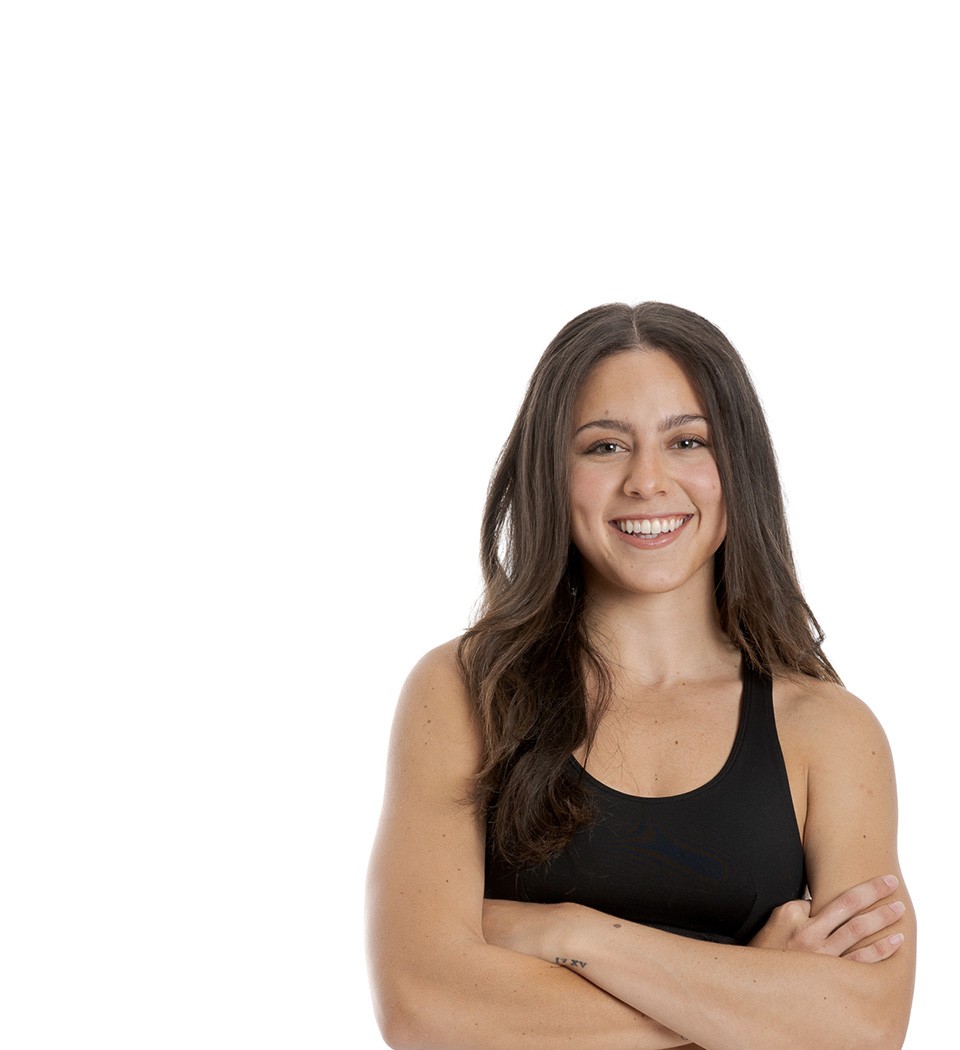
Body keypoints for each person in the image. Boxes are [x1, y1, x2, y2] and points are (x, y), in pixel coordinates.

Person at [366, 302, 915, 1049]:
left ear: (738, 470)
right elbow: (423, 1007)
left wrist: (571, 933)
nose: (647, 482)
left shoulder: (830, 730)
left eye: (688, 441)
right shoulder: (465, 693)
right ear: (551, 475)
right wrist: (751, 994)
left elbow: (865, 1024)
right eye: (603, 447)